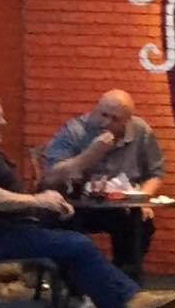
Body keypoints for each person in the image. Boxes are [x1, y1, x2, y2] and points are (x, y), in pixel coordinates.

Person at [0, 93, 175, 308]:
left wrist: (46, 201)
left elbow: (155, 172)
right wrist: (37, 200)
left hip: (10, 229)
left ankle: (126, 305)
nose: (3, 122)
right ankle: (127, 305)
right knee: (76, 244)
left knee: (82, 238)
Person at [39, 89, 166, 277]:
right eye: (103, 115)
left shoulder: (141, 131)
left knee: (140, 224)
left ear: (127, 121)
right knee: (65, 226)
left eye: (115, 119)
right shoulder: (75, 130)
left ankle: (122, 279)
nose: (106, 122)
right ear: (95, 110)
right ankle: (78, 284)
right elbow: (49, 177)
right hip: (77, 206)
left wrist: (142, 199)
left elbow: (155, 173)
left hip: (119, 206)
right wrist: (91, 153)